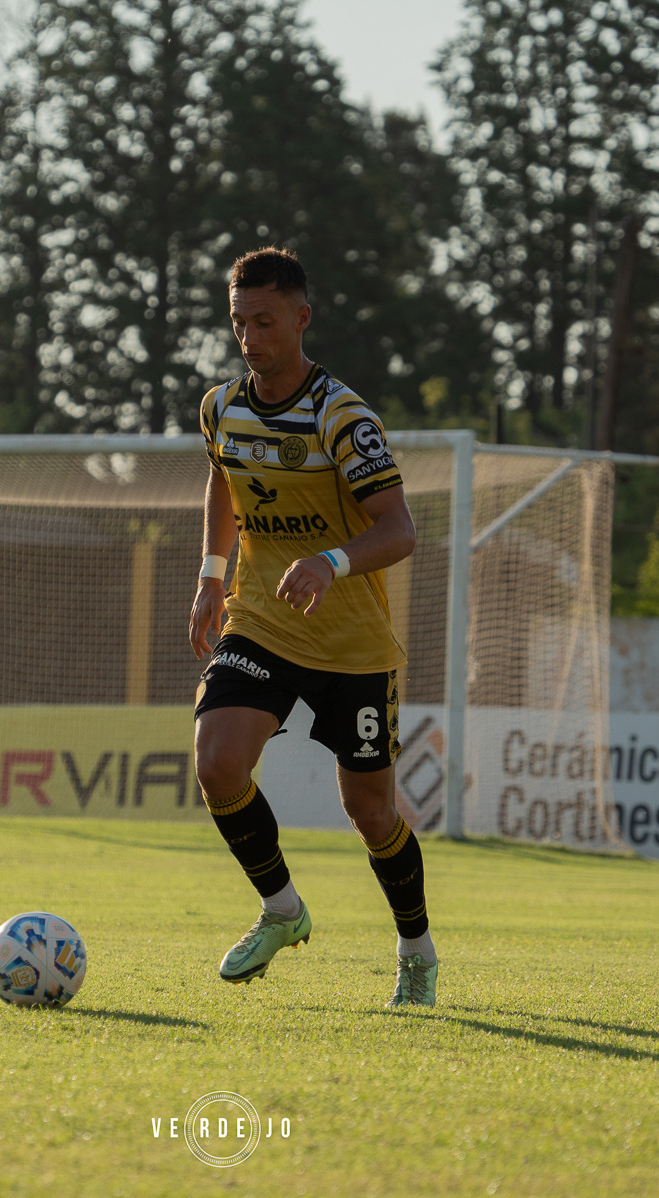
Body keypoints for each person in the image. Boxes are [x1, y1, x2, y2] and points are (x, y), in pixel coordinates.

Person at [188, 246, 437, 1008]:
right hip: (261, 619)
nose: (250, 337)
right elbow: (224, 481)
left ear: (302, 318)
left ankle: (417, 950)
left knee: (370, 813)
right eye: (239, 322)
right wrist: (210, 575)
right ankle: (282, 910)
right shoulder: (220, 407)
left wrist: (331, 560)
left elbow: (399, 530)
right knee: (216, 761)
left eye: (265, 321)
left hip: (351, 644)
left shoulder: (342, 416)